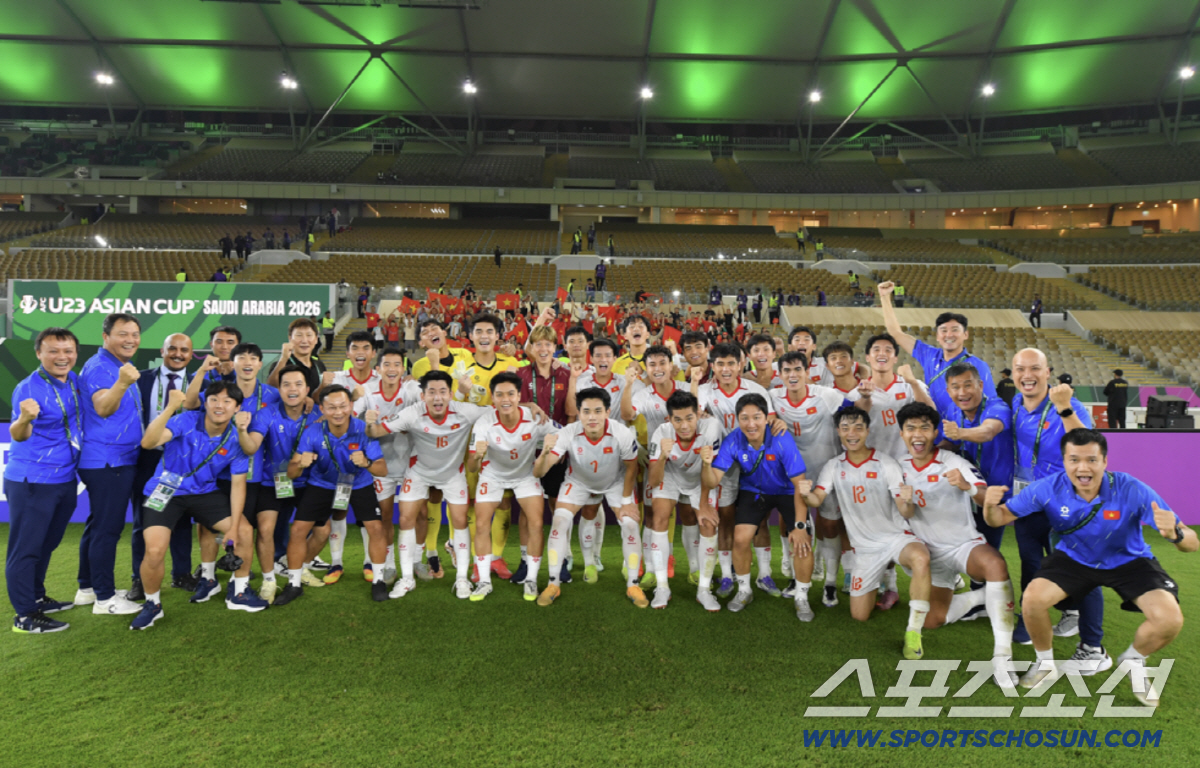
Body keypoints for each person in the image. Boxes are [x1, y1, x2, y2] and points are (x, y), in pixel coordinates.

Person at [984, 428, 1195, 704]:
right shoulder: (1048, 487)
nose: (1083, 467)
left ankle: (1133, 660)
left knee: (1170, 619)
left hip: (1128, 560)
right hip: (1074, 557)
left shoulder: (1130, 488)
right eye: (1074, 460)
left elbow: (1191, 542)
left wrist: (1177, 534)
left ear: (1104, 462)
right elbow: (999, 518)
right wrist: (989, 507)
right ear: (1065, 461)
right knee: (1033, 599)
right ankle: (1045, 664)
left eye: (1091, 460)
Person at [893, 402, 1018, 686]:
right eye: (910, 428)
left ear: (935, 432)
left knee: (995, 564)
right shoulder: (896, 469)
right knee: (933, 620)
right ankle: (979, 598)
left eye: (925, 427)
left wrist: (968, 486)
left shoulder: (953, 461)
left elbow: (985, 496)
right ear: (902, 434)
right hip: (929, 556)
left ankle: (1002, 656)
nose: (918, 434)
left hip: (963, 544)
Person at [797, 407, 933, 660]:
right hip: (865, 550)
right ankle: (881, 580)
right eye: (846, 428)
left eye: (858, 427)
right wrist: (806, 493)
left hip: (894, 538)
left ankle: (914, 632)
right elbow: (817, 499)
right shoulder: (834, 466)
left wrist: (908, 501)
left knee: (921, 557)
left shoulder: (885, 463)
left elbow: (906, 511)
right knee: (859, 615)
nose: (852, 433)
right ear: (838, 431)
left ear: (868, 431)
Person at [129, 381, 265, 630]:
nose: (219, 405)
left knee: (244, 530)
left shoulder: (238, 438)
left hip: (204, 492)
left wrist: (233, 528)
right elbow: (148, 443)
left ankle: (239, 592)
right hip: (165, 490)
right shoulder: (185, 420)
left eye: (227, 401)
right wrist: (170, 408)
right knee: (155, 551)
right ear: (205, 402)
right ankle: (152, 604)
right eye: (214, 399)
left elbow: (237, 486)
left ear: (237, 408)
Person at [1008, 347, 1106, 666]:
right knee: (1031, 562)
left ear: (1047, 372)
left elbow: (1088, 446)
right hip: (1028, 498)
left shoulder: (1068, 405)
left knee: (1081, 569)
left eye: (1035, 368)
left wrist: (1063, 407)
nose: (1027, 375)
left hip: (1068, 502)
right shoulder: (1014, 403)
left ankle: (1092, 647)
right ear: (1012, 375)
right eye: (1020, 369)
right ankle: (1031, 619)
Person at [368, 371, 489, 600]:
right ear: (422, 396)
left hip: (453, 474)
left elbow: (498, 412)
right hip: (419, 473)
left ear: (451, 394)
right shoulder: (412, 413)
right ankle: (407, 579)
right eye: (431, 392)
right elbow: (376, 431)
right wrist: (369, 422)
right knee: (405, 519)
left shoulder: (465, 411)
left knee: (460, 521)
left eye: (442, 391)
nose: (437, 398)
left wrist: (529, 405)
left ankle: (461, 578)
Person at [702, 393, 814, 618]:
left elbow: (800, 483)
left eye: (756, 417)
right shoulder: (733, 439)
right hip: (753, 491)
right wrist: (706, 465)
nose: (751, 424)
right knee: (741, 538)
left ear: (766, 418)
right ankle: (744, 590)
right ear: (737, 419)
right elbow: (712, 480)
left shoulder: (781, 437)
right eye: (744, 418)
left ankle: (802, 596)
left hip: (788, 492)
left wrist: (800, 526)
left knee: (802, 540)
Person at [274, 386, 388, 604]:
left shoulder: (363, 429)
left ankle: (379, 581)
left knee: (375, 527)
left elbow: (382, 469)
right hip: (322, 484)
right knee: (298, 529)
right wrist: (300, 465)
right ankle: (294, 584)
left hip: (358, 483)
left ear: (351, 407)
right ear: (322, 409)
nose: (338, 412)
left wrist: (367, 463)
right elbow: (290, 472)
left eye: (343, 406)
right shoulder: (313, 431)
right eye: (332, 407)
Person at [534, 387, 644, 608]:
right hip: (578, 482)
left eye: (597, 411)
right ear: (579, 412)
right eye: (586, 411)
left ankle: (633, 584)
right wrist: (545, 452)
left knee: (630, 524)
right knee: (559, 522)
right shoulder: (567, 432)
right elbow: (539, 472)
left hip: (615, 482)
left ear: (607, 412)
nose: (592, 417)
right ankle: (553, 583)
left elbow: (632, 468)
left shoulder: (621, 432)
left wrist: (625, 503)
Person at [6, 328, 85, 633]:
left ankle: (37, 596)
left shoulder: (73, 381)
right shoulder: (29, 388)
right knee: (25, 548)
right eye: (53, 351)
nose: (62, 357)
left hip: (64, 478)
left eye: (68, 351)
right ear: (39, 353)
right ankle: (25, 615)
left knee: (47, 543)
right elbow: (18, 433)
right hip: (32, 481)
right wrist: (24, 418)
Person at [74, 313, 144, 617]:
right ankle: (105, 599)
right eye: (122, 334)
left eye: (135, 334)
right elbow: (103, 406)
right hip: (108, 460)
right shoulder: (103, 367)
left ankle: (87, 588)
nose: (130, 339)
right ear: (106, 337)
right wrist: (122, 382)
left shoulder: (114, 365)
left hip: (113, 458)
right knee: (107, 529)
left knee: (97, 525)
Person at [466, 372, 558, 602]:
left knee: (537, 523)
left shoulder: (535, 417)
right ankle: (484, 581)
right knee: (481, 524)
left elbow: (563, 434)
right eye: (499, 395)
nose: (505, 399)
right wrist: (477, 456)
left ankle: (531, 580)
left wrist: (552, 450)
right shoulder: (484, 422)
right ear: (493, 397)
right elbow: (472, 467)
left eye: (510, 394)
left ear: (519, 396)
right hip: (492, 476)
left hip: (525, 475)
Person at [696, 343, 777, 599]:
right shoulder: (704, 391)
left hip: (755, 464)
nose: (726, 369)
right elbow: (695, 415)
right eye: (720, 364)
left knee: (760, 520)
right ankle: (727, 576)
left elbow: (771, 421)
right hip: (725, 466)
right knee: (726, 519)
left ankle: (765, 574)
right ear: (713, 366)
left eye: (731, 363)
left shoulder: (756, 389)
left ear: (741, 364)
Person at [769, 351, 848, 605]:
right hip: (793, 473)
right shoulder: (773, 397)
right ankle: (793, 571)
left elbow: (854, 414)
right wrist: (773, 420)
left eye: (797, 370)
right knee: (791, 522)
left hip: (825, 469)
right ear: (780, 374)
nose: (792, 375)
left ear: (807, 372)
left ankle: (830, 583)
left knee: (828, 526)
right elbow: (761, 416)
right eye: (787, 371)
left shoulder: (826, 395)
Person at [245, 365, 323, 602]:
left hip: (309, 482)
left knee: (323, 531)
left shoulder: (318, 413)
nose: (292, 389)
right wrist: (241, 430)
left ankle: (298, 568)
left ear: (307, 389)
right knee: (266, 529)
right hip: (274, 481)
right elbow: (252, 444)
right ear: (278, 389)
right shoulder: (266, 414)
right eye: (286, 384)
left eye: (298, 384)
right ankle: (269, 581)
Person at [128, 333, 197, 601]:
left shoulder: (198, 384)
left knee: (181, 520)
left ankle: (181, 574)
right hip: (148, 459)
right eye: (173, 349)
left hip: (182, 461)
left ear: (192, 354)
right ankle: (138, 579)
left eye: (184, 350)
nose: (178, 354)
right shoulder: (140, 379)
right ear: (163, 349)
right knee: (142, 521)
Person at [353, 350, 423, 587]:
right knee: (385, 515)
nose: (392, 369)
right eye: (387, 364)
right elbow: (352, 420)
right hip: (382, 466)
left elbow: (427, 413)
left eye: (397, 364)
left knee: (418, 513)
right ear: (378, 369)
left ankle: (416, 559)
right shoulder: (369, 395)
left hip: (411, 464)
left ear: (403, 370)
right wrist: (367, 423)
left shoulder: (411, 391)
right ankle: (391, 562)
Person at [878, 281, 997, 416]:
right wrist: (885, 297)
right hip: (935, 432)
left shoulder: (979, 365)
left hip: (964, 432)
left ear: (965, 334)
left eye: (955, 330)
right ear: (938, 336)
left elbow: (990, 406)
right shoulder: (929, 355)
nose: (949, 335)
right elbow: (896, 333)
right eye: (944, 330)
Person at [939, 361, 1014, 561]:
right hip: (966, 493)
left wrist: (960, 433)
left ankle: (989, 590)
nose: (962, 392)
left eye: (967, 385)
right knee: (964, 550)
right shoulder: (952, 411)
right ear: (948, 390)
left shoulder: (997, 406)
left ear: (980, 385)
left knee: (988, 554)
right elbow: (951, 444)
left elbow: (988, 432)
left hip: (994, 495)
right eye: (955, 387)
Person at [267, 318, 326, 396]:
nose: (304, 340)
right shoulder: (282, 365)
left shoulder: (320, 365)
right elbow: (271, 388)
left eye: (309, 335)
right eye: (299, 335)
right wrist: (283, 359)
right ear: (290, 338)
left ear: (316, 339)